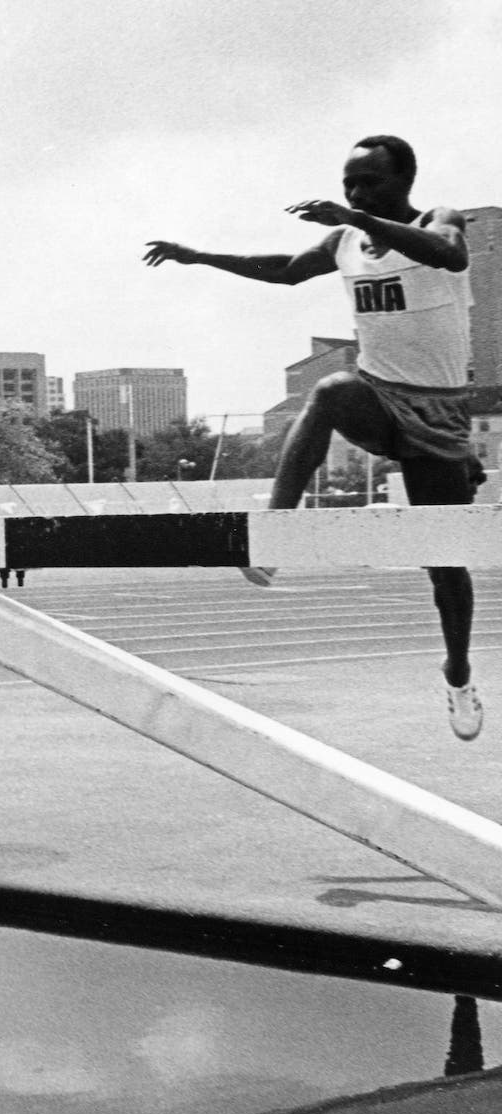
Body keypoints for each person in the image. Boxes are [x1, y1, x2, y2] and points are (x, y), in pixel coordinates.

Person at [145, 134, 482, 739]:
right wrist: (198, 257)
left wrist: (354, 215)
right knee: (328, 391)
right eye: (349, 183)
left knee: (445, 565)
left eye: (369, 183)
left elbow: (450, 256)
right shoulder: (344, 241)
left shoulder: (438, 220)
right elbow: (284, 271)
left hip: (438, 414)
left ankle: (457, 669)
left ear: (404, 182)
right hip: (377, 395)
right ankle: (276, 533)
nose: (355, 193)